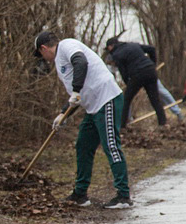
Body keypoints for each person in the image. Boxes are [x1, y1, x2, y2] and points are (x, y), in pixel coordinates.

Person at [34, 31, 131, 209]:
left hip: (106, 98)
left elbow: (81, 62)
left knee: (110, 145)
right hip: (93, 107)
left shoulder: (66, 46)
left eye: (41, 54)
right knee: (83, 145)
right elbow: (76, 97)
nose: (43, 58)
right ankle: (80, 194)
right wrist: (63, 115)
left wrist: (76, 90)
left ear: (44, 48)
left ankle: (123, 196)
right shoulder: (60, 62)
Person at [103, 36, 167, 127]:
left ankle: (122, 125)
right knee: (155, 99)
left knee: (126, 99)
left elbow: (123, 72)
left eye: (108, 48)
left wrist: (128, 84)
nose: (108, 50)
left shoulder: (116, 54)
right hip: (150, 71)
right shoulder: (133, 45)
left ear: (111, 46)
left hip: (137, 75)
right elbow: (152, 49)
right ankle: (163, 123)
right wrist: (153, 64)